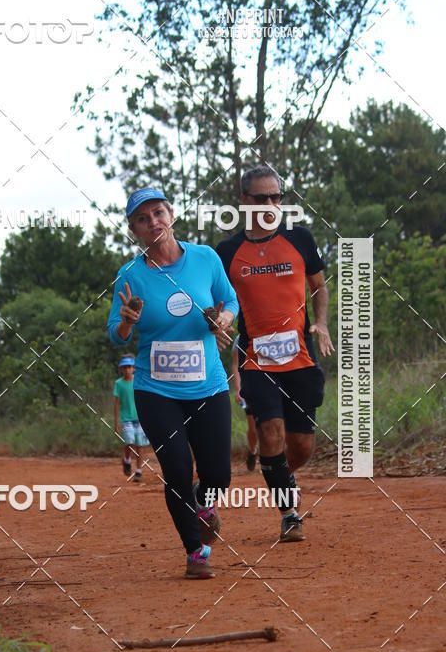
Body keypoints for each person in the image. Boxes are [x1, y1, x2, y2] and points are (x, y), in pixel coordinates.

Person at [108, 186, 238, 578]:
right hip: (156, 390)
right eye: (142, 219)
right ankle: (195, 552)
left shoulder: (205, 258)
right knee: (178, 468)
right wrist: (127, 322)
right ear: (133, 230)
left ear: (172, 215)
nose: (153, 223)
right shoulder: (130, 276)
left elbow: (231, 301)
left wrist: (223, 319)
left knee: (218, 475)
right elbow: (116, 334)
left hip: (208, 384)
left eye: (158, 213)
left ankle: (201, 503)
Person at [217, 165, 334, 543]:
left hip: (300, 358)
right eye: (261, 198)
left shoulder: (300, 238)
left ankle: (284, 476)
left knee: (301, 445)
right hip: (256, 360)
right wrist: (219, 323)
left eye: (276, 197)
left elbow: (319, 286)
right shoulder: (227, 252)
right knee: (270, 433)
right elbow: (218, 300)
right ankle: (289, 513)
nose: (270, 204)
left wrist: (321, 322)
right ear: (243, 201)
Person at [113, 354, 149, 480]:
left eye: (129, 367)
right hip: (126, 418)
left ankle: (138, 471)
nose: (127, 369)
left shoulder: (138, 381)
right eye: (125, 367)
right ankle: (127, 459)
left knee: (140, 444)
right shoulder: (119, 384)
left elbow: (144, 399)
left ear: (133, 368)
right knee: (129, 440)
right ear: (121, 369)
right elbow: (117, 403)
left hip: (139, 418)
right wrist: (116, 421)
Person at [231, 335, 258, 470]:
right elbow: (236, 365)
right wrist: (238, 389)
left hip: (269, 385)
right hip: (249, 387)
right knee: (253, 427)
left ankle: (273, 459)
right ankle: (253, 451)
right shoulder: (240, 338)